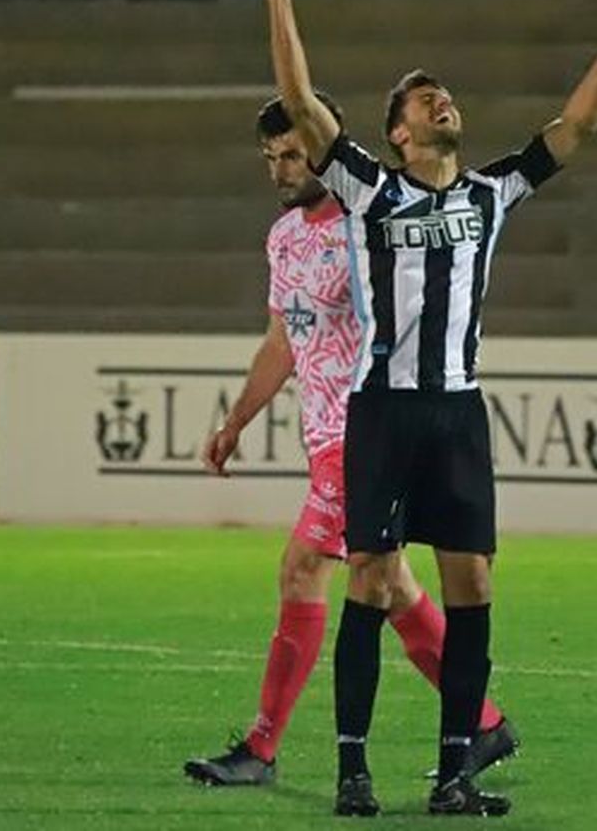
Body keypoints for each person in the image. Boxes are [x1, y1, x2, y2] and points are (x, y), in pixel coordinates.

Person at [263, 0, 597, 817]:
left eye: (446, 95)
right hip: (385, 410)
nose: (444, 101)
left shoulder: (489, 193)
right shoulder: (367, 188)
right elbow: (299, 103)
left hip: (458, 410)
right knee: (369, 580)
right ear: (398, 131)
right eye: (423, 97)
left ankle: (452, 774)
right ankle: (353, 770)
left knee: (472, 583)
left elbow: (576, 127)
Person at [181, 94, 516, 789]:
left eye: (292, 154)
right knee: (389, 586)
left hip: (365, 434)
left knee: (305, 569)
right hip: (325, 437)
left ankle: (262, 748)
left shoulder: (370, 221)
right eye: (270, 159)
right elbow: (284, 340)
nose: (279, 170)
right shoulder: (285, 238)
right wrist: (237, 420)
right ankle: (482, 723)